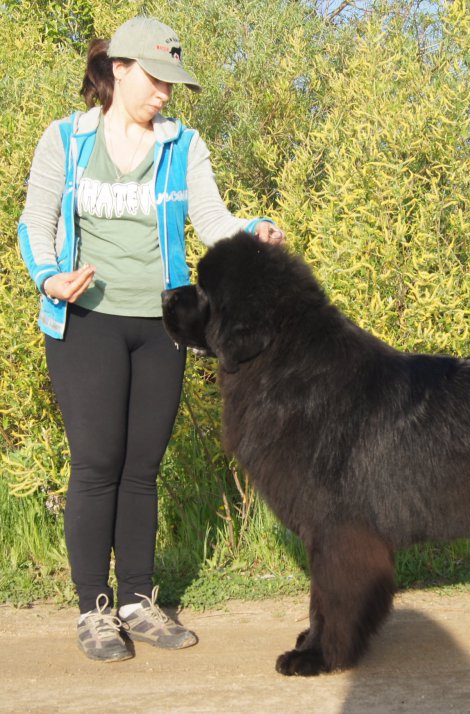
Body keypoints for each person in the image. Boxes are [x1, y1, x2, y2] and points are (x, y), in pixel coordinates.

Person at [18, 16, 285, 663]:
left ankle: (138, 602)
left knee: (142, 468)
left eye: (172, 84)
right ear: (120, 70)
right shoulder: (66, 140)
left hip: (162, 325)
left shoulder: (183, 146)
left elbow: (213, 220)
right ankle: (94, 610)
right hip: (85, 322)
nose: (164, 93)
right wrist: (49, 277)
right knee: (97, 462)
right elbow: (35, 222)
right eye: (156, 79)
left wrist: (254, 229)